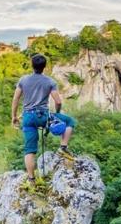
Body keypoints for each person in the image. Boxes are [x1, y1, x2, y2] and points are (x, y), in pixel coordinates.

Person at [11, 53, 77, 182]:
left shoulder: (23, 80)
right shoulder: (50, 81)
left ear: (32, 65)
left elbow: (16, 99)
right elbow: (58, 102)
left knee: (30, 150)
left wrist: (14, 116)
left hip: (28, 118)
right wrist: (56, 115)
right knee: (70, 121)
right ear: (44, 67)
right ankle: (63, 148)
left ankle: (31, 180)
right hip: (43, 116)